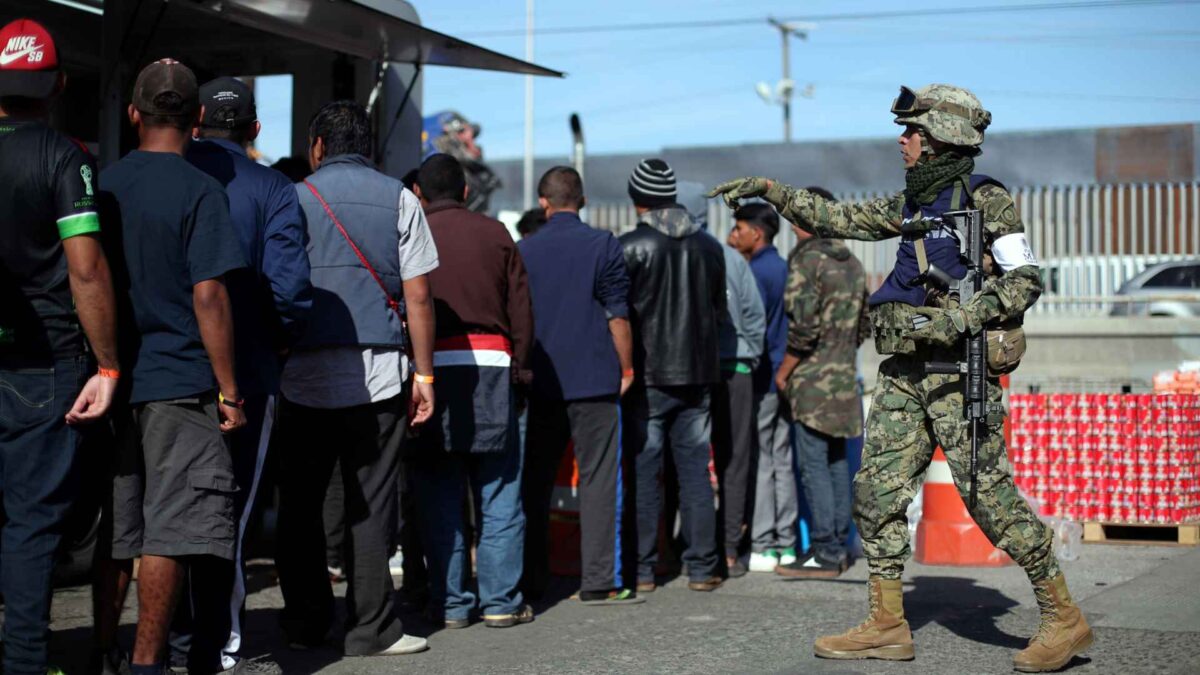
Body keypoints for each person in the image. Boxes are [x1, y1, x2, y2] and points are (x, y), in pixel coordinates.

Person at [709, 84, 1092, 672]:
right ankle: (887, 624)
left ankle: (1063, 616)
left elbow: (1026, 280)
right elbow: (836, 216)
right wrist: (770, 190)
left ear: (940, 139)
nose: (902, 140)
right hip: (904, 372)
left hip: (957, 374)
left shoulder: (986, 200)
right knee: (875, 492)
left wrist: (960, 316)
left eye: (911, 132)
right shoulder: (914, 203)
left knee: (989, 500)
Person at [93, 58, 248, 675]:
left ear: (133, 113)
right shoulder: (202, 192)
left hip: (109, 382)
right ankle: (148, 663)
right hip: (180, 382)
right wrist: (230, 389)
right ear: (199, 118)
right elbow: (210, 296)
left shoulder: (103, 185)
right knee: (171, 531)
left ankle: (105, 649)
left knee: (119, 527)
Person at [274, 100, 437, 658]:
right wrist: (426, 375)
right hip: (380, 373)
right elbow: (418, 294)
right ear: (368, 148)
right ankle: (371, 628)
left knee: (300, 504)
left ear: (318, 146)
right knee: (372, 502)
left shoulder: (291, 198)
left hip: (302, 372)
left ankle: (304, 624)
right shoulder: (400, 198)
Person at [171, 76, 312, 675]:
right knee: (232, 508)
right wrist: (278, 341)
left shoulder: (161, 174)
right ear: (254, 129)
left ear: (197, 118)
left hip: (167, 368)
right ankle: (218, 643)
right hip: (250, 371)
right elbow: (289, 289)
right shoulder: (273, 187)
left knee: (165, 508)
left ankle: (163, 638)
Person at [0, 18, 120, 675]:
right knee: (31, 524)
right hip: (43, 362)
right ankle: (23, 661)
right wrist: (107, 362)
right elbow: (87, 268)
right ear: (58, 85)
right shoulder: (62, 155)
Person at [408, 152, 534, 628]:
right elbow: (521, 310)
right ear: (465, 191)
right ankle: (501, 602)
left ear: (419, 193)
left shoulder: (412, 233)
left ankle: (452, 604)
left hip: (430, 370)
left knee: (440, 492)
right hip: (492, 368)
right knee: (499, 490)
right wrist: (522, 372)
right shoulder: (495, 234)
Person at [519, 166, 643, 605]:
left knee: (533, 483)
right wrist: (626, 368)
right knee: (599, 480)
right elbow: (617, 315)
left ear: (543, 202)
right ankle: (598, 581)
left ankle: (531, 580)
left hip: (541, 381)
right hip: (594, 379)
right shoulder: (603, 244)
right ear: (584, 201)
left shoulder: (524, 250)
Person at [620, 159, 725, 593]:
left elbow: (619, 314)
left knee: (647, 474)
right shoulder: (710, 246)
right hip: (698, 375)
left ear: (637, 199)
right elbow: (719, 313)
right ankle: (702, 568)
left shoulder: (630, 247)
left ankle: (644, 569)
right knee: (695, 473)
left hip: (649, 376)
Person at [770, 188, 869, 580]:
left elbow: (803, 327)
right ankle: (839, 546)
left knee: (813, 465)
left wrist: (785, 370)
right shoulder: (853, 263)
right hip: (846, 376)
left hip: (812, 380)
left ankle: (825, 551)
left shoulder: (807, 261)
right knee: (838, 462)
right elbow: (865, 323)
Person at [680, 182, 765, 579]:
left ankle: (685, 546)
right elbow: (753, 315)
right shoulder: (729, 258)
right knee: (734, 459)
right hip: (736, 370)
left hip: (690, 370)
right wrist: (748, 351)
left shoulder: (677, 251)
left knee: (687, 458)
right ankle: (730, 548)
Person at [727, 203, 796, 572]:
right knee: (782, 459)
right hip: (785, 374)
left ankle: (763, 542)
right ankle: (786, 543)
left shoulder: (754, 271)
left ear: (757, 232)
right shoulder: (784, 268)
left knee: (761, 459)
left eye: (738, 228)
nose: (733, 236)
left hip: (762, 376)